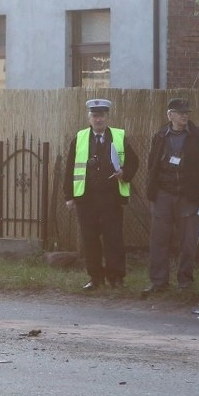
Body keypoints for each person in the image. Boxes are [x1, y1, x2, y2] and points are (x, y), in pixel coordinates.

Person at [63, 98, 139, 290]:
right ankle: (95, 278)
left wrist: (124, 173)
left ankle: (116, 277)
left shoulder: (119, 137)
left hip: (111, 198)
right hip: (86, 198)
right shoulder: (79, 138)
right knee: (90, 239)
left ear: (107, 117)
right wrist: (69, 197)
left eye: (102, 116)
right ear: (89, 118)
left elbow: (133, 163)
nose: (99, 120)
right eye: (95, 116)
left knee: (113, 238)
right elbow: (70, 168)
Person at [143, 98, 199, 296]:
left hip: (188, 196)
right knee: (158, 241)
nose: (185, 115)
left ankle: (185, 282)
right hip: (163, 195)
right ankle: (158, 282)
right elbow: (152, 166)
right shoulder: (160, 136)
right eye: (180, 112)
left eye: (187, 112)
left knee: (188, 242)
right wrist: (152, 192)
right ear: (170, 115)